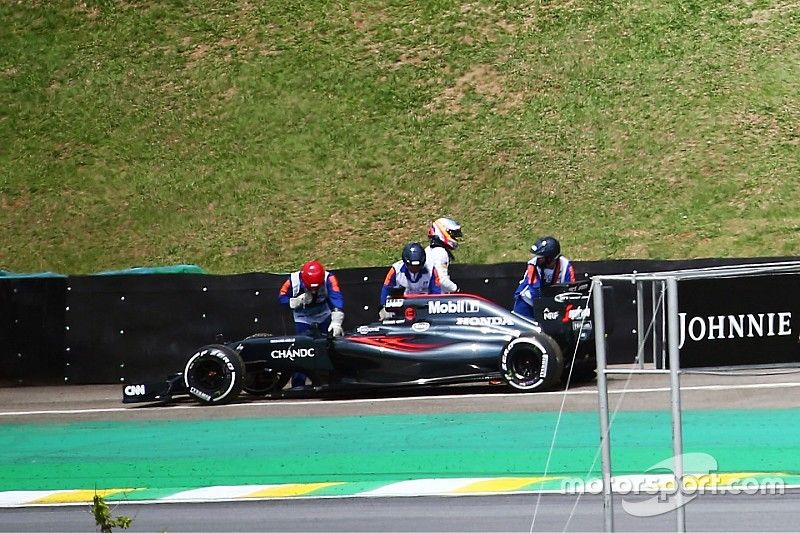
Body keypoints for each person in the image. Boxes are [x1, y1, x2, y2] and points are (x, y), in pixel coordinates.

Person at [278, 259, 345, 388]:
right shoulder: (293, 280)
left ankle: (331, 380)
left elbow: (336, 297)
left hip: (323, 315)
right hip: (303, 317)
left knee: (330, 347)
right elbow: (281, 297)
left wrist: (336, 321)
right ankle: (298, 383)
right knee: (300, 350)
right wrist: (295, 301)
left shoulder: (329, 278)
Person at [513, 236, 576, 320]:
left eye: (541, 258)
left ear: (550, 258)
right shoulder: (533, 265)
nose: (538, 260)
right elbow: (534, 289)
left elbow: (571, 290)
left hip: (553, 302)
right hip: (528, 302)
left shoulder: (565, 266)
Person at [378, 242, 442, 318]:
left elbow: (436, 293)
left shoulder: (431, 270)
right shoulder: (396, 270)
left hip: (425, 307)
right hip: (401, 307)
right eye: (411, 266)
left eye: (418, 266)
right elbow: (386, 289)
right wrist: (383, 307)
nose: (415, 269)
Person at [425, 217, 462, 294]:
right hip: (438, 297)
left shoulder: (427, 250)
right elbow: (441, 279)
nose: (454, 238)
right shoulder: (441, 252)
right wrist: (457, 290)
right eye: (453, 234)